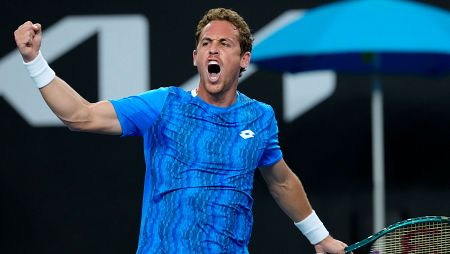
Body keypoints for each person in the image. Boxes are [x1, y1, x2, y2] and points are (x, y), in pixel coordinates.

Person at [14, 8, 348, 254]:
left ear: (244, 59)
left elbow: (281, 181)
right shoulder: (163, 105)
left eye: (224, 43)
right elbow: (80, 116)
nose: (213, 49)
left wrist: (320, 237)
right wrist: (34, 61)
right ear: (195, 56)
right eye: (206, 43)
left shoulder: (260, 118)